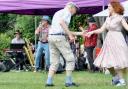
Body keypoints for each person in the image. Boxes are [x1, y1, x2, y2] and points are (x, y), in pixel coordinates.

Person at [86, 0, 128, 86]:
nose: (108, 8)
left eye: (109, 6)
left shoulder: (120, 17)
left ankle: (122, 81)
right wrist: (92, 32)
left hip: (118, 39)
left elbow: (127, 27)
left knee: (118, 61)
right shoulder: (108, 18)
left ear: (114, 7)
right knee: (107, 62)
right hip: (108, 40)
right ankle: (116, 77)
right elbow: (101, 29)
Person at [46, 2, 81, 87]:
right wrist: (70, 35)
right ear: (72, 7)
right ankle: (68, 82)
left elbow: (63, 29)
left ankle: (49, 82)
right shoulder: (67, 12)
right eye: (75, 10)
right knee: (70, 59)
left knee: (54, 62)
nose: (75, 13)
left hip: (51, 37)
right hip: (59, 38)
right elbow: (62, 23)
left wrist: (81, 33)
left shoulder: (58, 12)